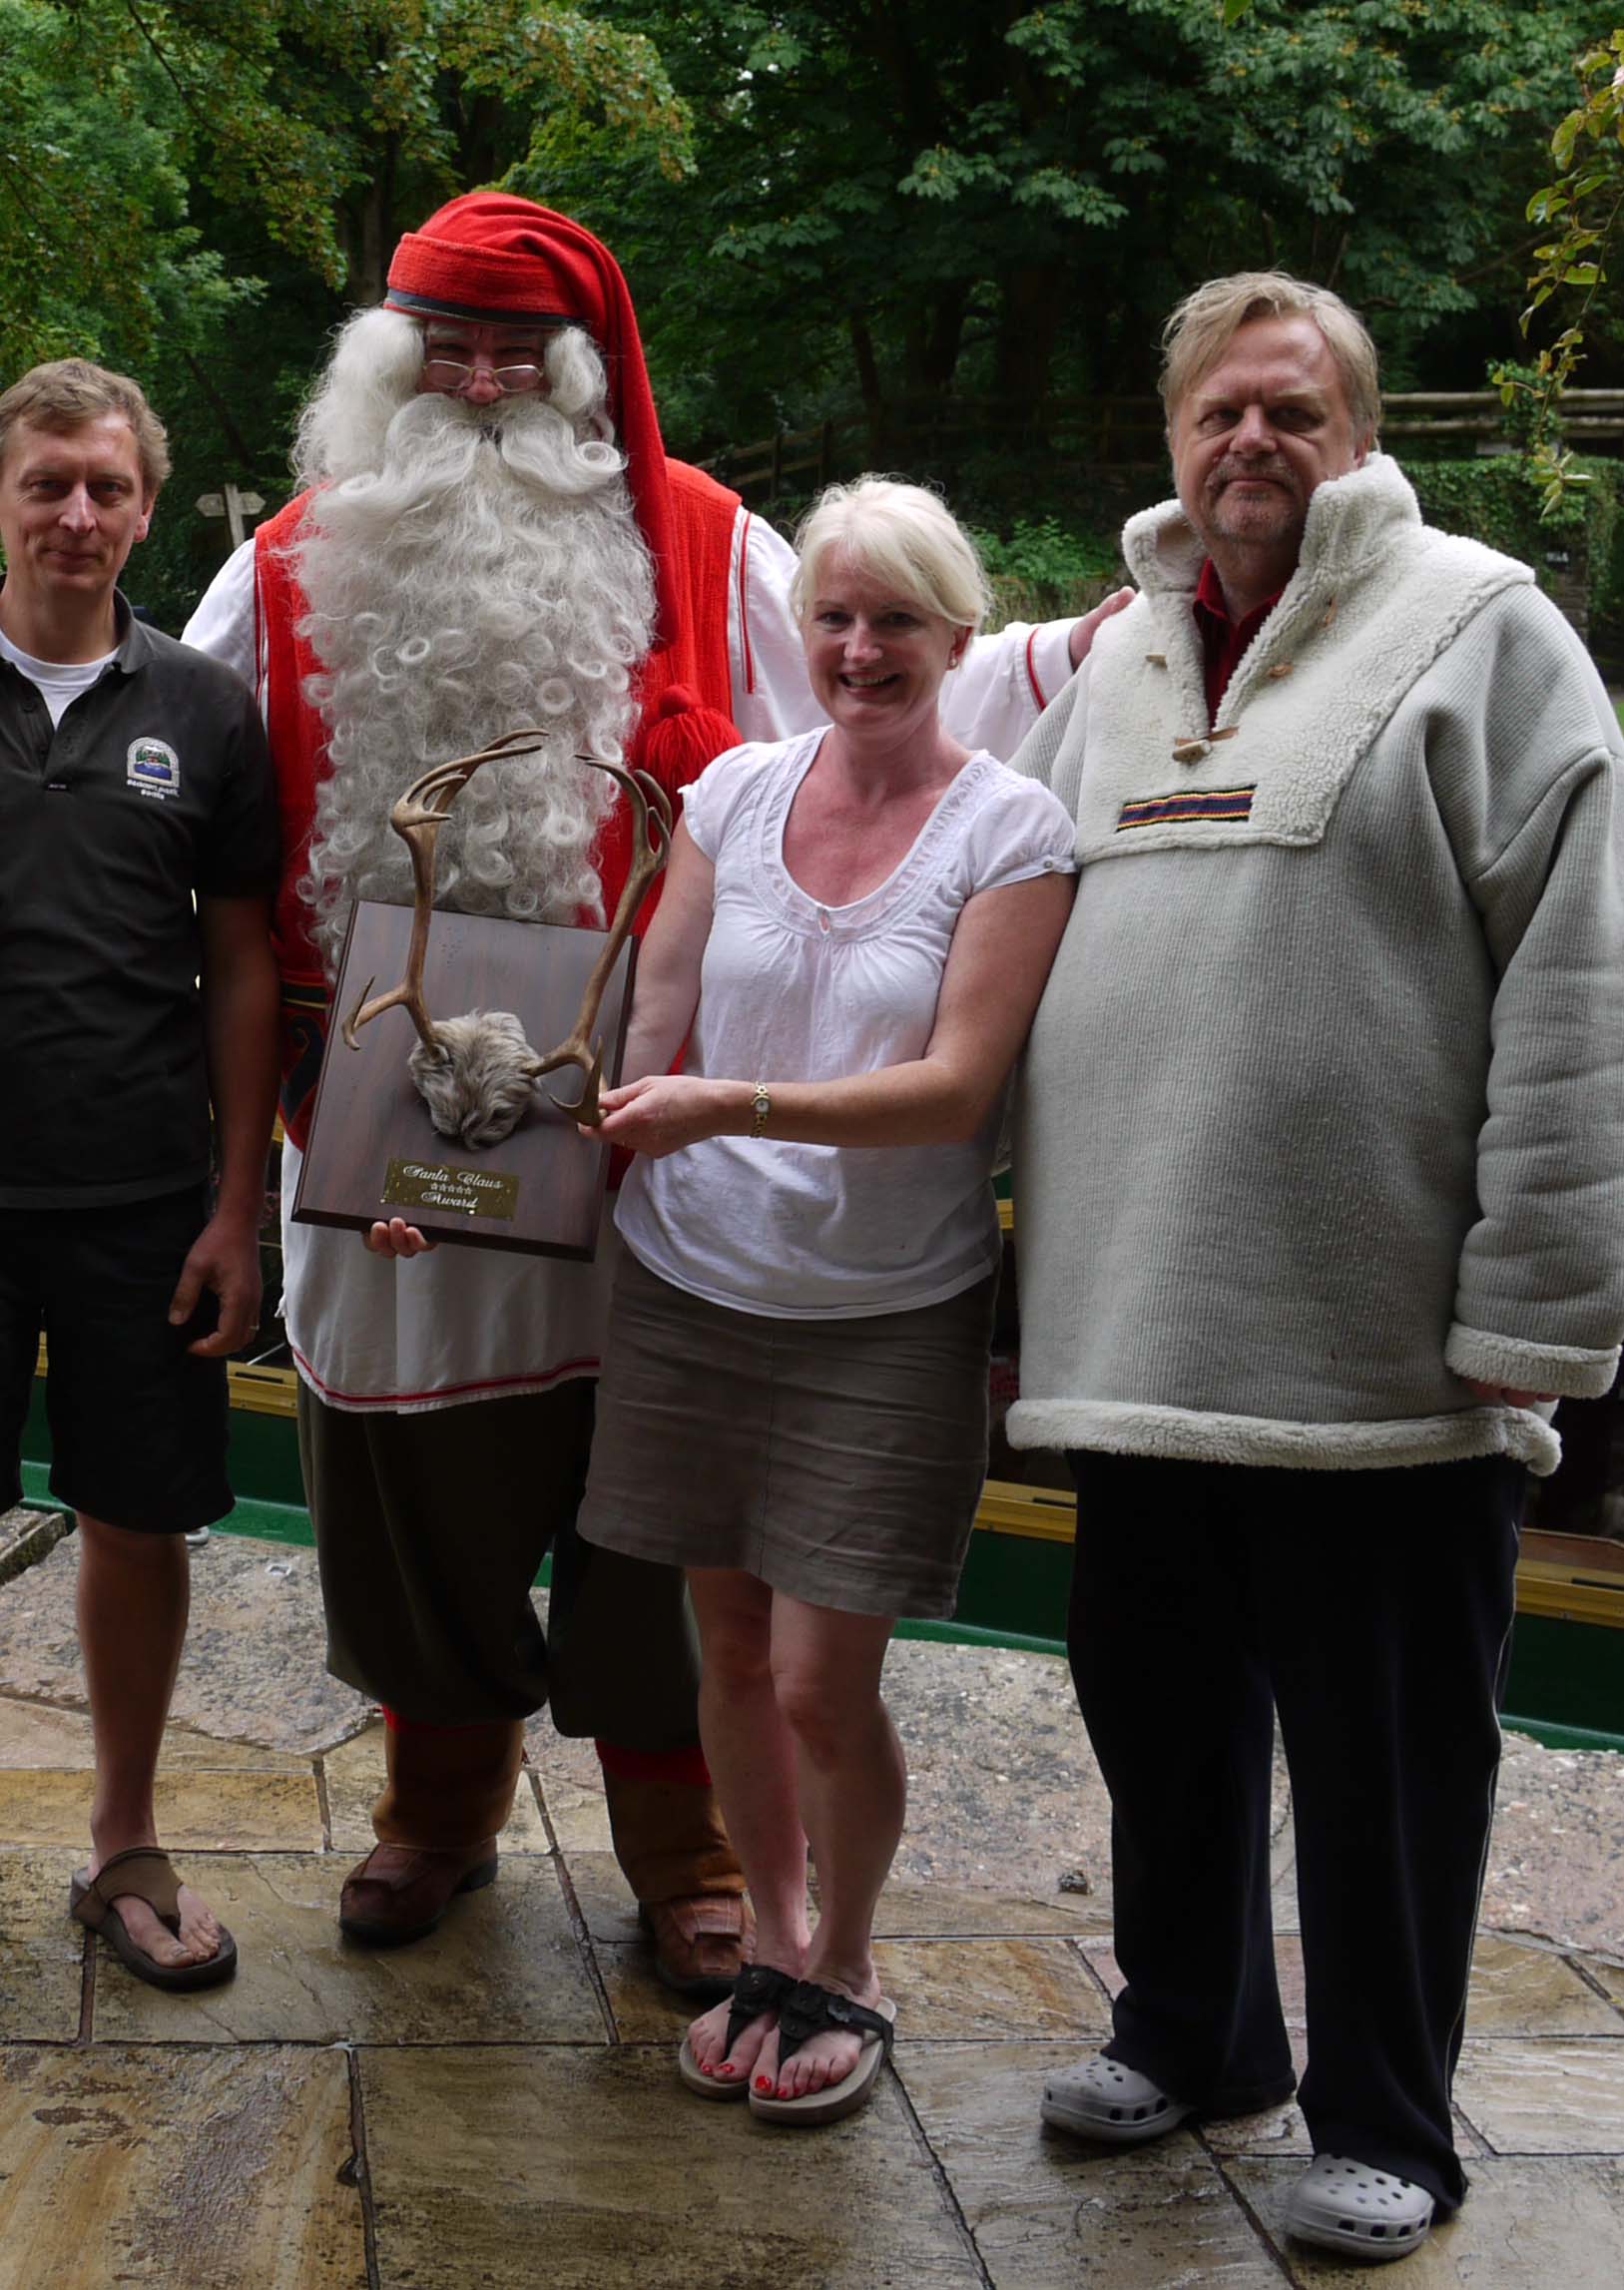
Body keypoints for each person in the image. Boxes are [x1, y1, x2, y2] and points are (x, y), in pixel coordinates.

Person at [165, 193, 1121, 1994]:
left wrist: (1102, 654)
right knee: (408, 1494)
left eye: (514, 351)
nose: (475, 381)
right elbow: (150, 756)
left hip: (640, 1150)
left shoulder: (702, 540)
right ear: (387, 360)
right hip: (380, 1151)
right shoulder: (290, 560)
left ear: (584, 368)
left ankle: (680, 1846)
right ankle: (436, 1809)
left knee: (658, 1503)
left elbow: (896, 697)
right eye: (443, 347)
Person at [1003, 274, 1624, 2262]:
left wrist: (1534, 1318)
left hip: (1384, 1365)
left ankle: (1388, 2119)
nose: (1251, 445)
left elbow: (1593, 989)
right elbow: (999, 950)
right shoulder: (1108, 669)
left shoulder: (1486, 637)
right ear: (1167, 434)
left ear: (1358, 436)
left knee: (1388, 1773)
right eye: (1218, 411)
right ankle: (1193, 2034)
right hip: (1129, 1336)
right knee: (1159, 1721)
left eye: (1293, 412)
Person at [579, 478, 1076, 2125]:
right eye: (835, 619)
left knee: (818, 1678)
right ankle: (772, 1940)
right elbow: (653, 1010)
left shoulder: (1012, 829)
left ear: (958, 635)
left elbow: (954, 1092)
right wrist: (506, 1190)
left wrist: (729, 1107)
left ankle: (852, 1958)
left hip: (879, 1306)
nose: (861, 649)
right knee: (725, 1643)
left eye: (897, 623)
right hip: (693, 1280)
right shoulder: (729, 789)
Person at [0, 359, 279, 2003]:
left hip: (143, 1196)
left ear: (146, 507)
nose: (77, 514)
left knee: (136, 1516)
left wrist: (240, 1206)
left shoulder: (208, 713)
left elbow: (242, 968)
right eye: (47, 483)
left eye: (107, 487)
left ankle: (125, 1842)